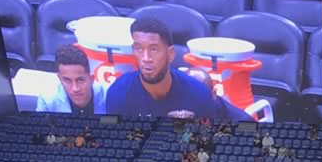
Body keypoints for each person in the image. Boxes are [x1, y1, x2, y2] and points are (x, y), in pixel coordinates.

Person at [101, 16, 239, 119]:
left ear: (170, 54)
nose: (146, 58)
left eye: (154, 50)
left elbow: (206, 146)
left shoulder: (199, 94)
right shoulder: (118, 93)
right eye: (139, 49)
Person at [34, 43, 103, 115]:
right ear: (59, 79)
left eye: (80, 80)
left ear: (91, 79)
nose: (75, 89)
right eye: (67, 80)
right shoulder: (47, 100)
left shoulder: (108, 97)